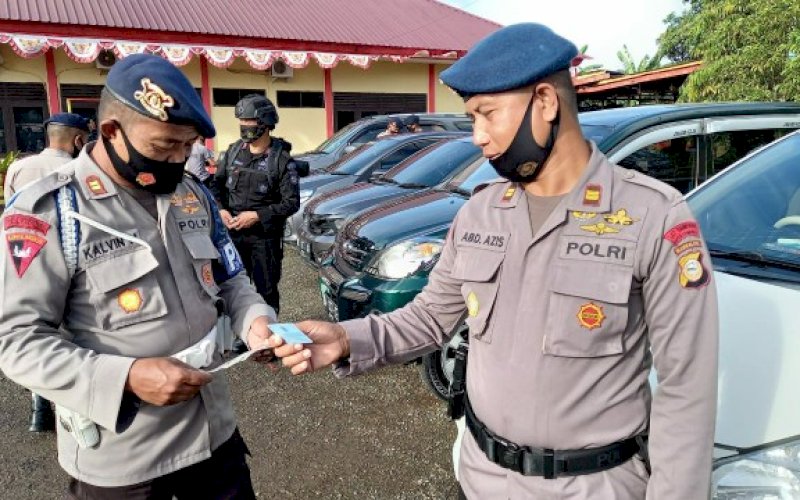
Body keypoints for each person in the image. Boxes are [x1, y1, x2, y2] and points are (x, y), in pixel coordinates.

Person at [273, 23, 718, 499]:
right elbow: (427, 320)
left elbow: (686, 387)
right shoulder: (481, 212)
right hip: (482, 478)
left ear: (545, 102)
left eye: (487, 115)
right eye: (471, 119)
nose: (478, 137)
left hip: (591, 486)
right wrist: (344, 339)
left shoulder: (652, 214)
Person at [0, 53, 276, 498]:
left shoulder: (193, 195)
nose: (178, 159)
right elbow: (16, 340)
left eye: (187, 146)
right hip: (126, 461)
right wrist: (125, 377)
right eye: (164, 146)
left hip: (214, 437)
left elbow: (232, 281)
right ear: (111, 132)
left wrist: (256, 321)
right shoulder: (52, 212)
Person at [212, 94, 300, 316]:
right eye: (242, 123)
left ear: (265, 125)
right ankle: (240, 336)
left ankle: (269, 338)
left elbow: (291, 203)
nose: (245, 128)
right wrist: (221, 209)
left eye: (250, 123)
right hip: (233, 235)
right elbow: (216, 186)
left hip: (264, 240)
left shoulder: (281, 161)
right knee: (231, 288)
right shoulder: (233, 152)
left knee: (266, 291)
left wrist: (258, 215)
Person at [4, 112, 89, 202]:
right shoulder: (83, 170)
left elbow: (9, 210)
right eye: (86, 140)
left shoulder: (17, 167)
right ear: (78, 140)